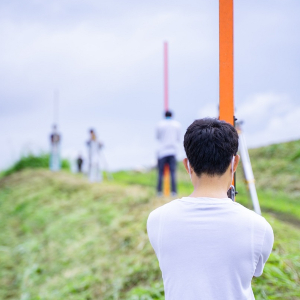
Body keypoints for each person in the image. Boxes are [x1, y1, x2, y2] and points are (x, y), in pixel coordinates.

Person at [147, 118, 274, 300]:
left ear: (187, 165)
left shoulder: (157, 220)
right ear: (235, 163)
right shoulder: (259, 227)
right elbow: (252, 272)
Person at [156, 110, 181, 195]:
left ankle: (159, 192)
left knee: (160, 173)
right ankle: (173, 192)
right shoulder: (177, 125)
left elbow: (158, 137)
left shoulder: (160, 124)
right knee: (173, 173)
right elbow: (178, 138)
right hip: (173, 151)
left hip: (162, 151)